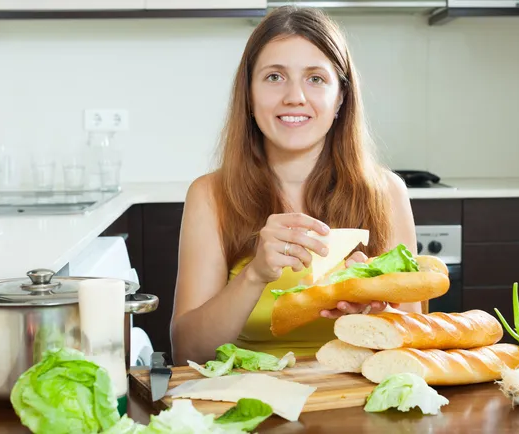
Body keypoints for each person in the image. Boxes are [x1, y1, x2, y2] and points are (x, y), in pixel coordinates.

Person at [170, 5, 420, 366]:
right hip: (249, 402)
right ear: (249, 96)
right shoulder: (210, 196)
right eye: (274, 77)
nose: (295, 97)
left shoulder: (387, 193)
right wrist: (254, 275)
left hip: (355, 403)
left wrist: (370, 313)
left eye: (315, 78)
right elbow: (188, 352)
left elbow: (416, 344)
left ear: (340, 99)